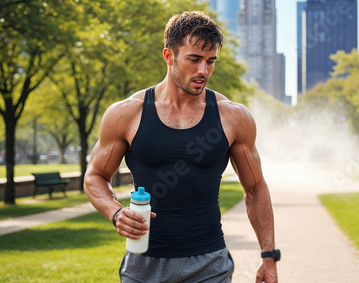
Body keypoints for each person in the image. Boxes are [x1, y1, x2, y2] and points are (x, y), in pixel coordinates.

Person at [84, 11, 279, 283]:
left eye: (211, 61)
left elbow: (255, 187)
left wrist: (269, 256)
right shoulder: (126, 114)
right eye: (195, 59)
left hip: (210, 266)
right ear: (169, 56)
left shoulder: (233, 117)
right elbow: (94, 176)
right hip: (143, 267)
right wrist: (115, 212)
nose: (204, 71)